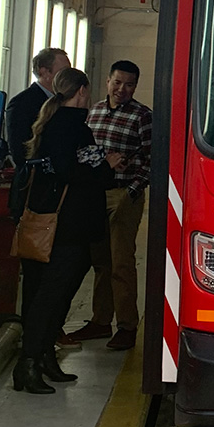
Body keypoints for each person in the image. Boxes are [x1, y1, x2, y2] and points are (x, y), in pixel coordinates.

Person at [14, 68, 126, 394]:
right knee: (50, 298)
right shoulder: (72, 126)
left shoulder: (50, 122)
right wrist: (107, 166)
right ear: (81, 92)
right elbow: (73, 174)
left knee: (46, 296)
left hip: (51, 223)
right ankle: (29, 364)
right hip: (67, 228)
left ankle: (44, 357)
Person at [65, 60, 152, 351]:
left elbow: (154, 159)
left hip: (123, 194)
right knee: (101, 261)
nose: (122, 89)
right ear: (107, 81)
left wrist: (132, 190)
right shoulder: (94, 112)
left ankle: (127, 325)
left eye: (129, 84)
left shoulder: (143, 117)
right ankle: (101, 321)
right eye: (117, 82)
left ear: (135, 87)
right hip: (94, 194)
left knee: (121, 263)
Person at [3, 48, 70, 330]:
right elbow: (22, 154)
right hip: (35, 197)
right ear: (43, 72)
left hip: (58, 200)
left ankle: (46, 333)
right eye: (61, 70)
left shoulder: (62, 105)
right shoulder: (23, 104)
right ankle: (32, 332)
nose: (65, 76)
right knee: (36, 271)